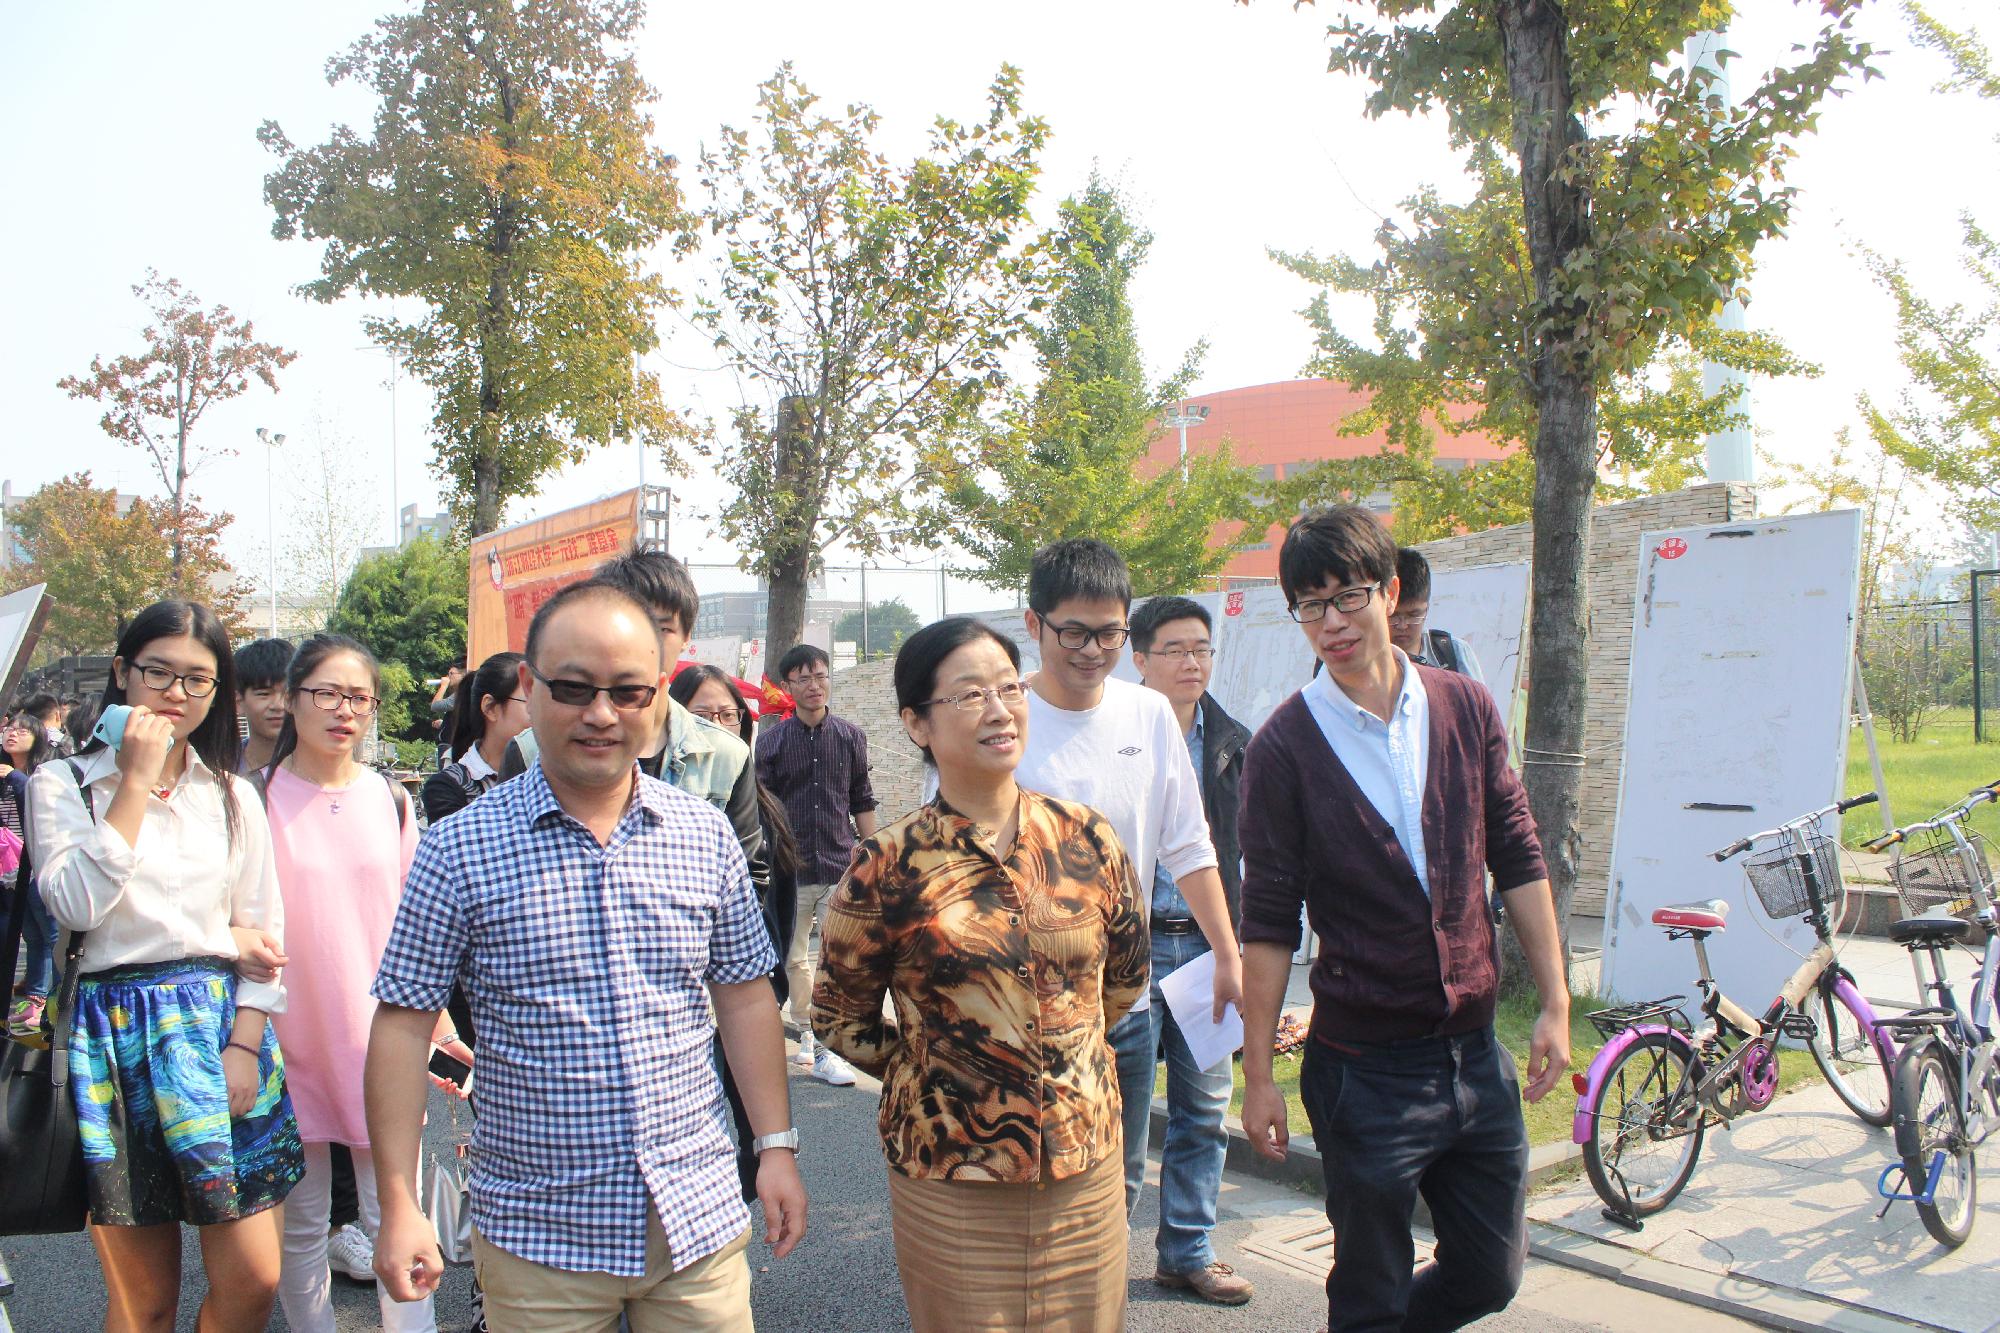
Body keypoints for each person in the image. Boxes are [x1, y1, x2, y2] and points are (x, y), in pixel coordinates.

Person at [364, 581, 806, 1330]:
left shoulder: (704, 835)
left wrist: (775, 1146)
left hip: (694, 1220)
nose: (601, 714)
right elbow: (403, 1025)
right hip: (540, 1234)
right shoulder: (458, 847)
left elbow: (743, 996)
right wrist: (400, 1202)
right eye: (573, 689)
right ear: (529, 687)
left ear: (657, 694)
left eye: (627, 692)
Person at [1236, 506, 1570, 1333]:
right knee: (1370, 1292)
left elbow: (1519, 854)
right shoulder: (1282, 748)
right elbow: (1269, 922)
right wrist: (1259, 1073)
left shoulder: (1466, 707)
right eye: (1310, 605)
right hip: (1365, 1069)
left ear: (1390, 592)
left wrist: (1556, 1001)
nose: (1332, 622)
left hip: (1475, 1054)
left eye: (1348, 596)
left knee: (1491, 1272)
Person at [812, 617, 1147, 1333]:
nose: (999, 709)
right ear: (917, 723)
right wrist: (940, 1070)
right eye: (969, 695)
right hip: (951, 1176)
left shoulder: (1086, 837)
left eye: (1009, 688)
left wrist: (1057, 1052)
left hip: (1083, 1165)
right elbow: (839, 1016)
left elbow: (1123, 978)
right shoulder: (886, 865)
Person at [25, 599, 303, 1332]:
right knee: (144, 1304)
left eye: (198, 679)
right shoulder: (63, 784)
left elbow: (266, 930)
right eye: (158, 672)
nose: (176, 693)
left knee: (254, 1280)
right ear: (123, 672)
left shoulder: (234, 795)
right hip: (112, 1039)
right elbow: (75, 903)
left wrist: (245, 1044)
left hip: (217, 1032)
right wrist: (134, 781)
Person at [1004, 540, 1245, 1291]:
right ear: (1034, 624)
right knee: (1051, 1165)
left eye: (1108, 633)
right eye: (1073, 632)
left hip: (1127, 997)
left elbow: (1189, 843)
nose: (1092, 650)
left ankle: (1130, 1283)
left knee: (1125, 1164)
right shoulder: (1004, 715)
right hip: (1036, 1004)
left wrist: (1228, 952)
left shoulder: (1147, 713)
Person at [246, 634, 457, 1333]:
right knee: (301, 1224)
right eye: (327, 694)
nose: (344, 711)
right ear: (291, 699)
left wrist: (440, 1025)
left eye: (359, 698)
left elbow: (417, 924)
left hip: (381, 1036)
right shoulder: (252, 800)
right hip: (285, 1034)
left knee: (396, 1212)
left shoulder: (389, 799)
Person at [1126, 595, 1255, 1305]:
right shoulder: (1118, 736)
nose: (1191, 662)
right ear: (1139, 659)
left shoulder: (1233, 742)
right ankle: (1094, 1261)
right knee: (1119, 1117)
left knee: (1204, 1113)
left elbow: (1251, 852)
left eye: (1201, 648)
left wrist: (1243, 949)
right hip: (1131, 950)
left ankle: (1187, 1252)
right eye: (1174, 649)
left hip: (1206, 951)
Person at [671, 663, 801, 1199]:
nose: (720, 726)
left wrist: (773, 977)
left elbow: (778, 900)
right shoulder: (668, 803)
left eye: (730, 715)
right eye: (704, 715)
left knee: (751, 1109)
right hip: (688, 988)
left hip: (749, 978)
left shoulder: (762, 805)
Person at [757, 643, 877, 1086]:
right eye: (803, 678)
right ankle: (807, 1030)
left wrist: (873, 855)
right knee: (794, 958)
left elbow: (861, 798)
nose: (814, 685)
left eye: (821, 675)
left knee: (836, 957)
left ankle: (827, 1043)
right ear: (787, 686)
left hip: (840, 863)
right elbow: (761, 808)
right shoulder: (771, 743)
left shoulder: (850, 737)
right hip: (790, 869)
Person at [420, 651, 528, 824]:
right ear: (490, 708)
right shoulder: (447, 788)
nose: (544, 715)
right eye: (531, 702)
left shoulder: (555, 778)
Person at [4, 699, 57, 1037]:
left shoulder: (42, 775)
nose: (13, 733)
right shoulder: (5, 776)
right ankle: (36, 998)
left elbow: (40, 817)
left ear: (38, 738)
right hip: (11, 873)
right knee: (33, 936)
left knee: (52, 937)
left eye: (23, 730)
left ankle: (55, 1002)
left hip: (39, 867)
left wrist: (16, 778)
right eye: (10, 728)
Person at [1389, 548, 1485, 685]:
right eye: (1393, 616)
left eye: (1413, 615)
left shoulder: (1455, 653)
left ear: (1427, 610)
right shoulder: (1366, 659)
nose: (1402, 625)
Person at [234, 637, 295, 775]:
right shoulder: (218, 772)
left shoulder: (320, 769)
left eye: (288, 693)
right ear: (238, 701)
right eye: (264, 694)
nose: (279, 706)